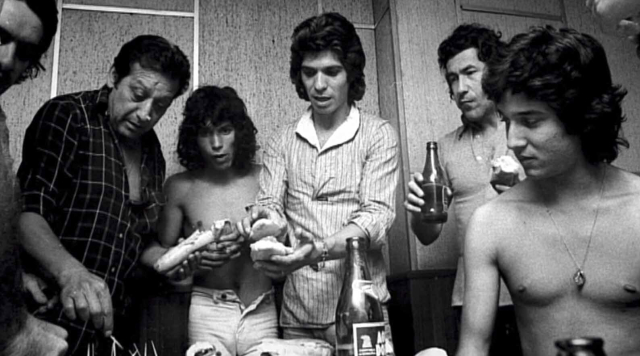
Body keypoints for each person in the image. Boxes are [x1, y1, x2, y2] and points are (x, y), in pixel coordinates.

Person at [457, 26, 637, 356]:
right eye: (508, 121)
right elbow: (473, 349)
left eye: (531, 120)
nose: (512, 140)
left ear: (582, 115)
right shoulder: (491, 223)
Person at [16, 34, 191, 355]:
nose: (146, 113)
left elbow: (139, 241)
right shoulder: (68, 116)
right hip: (44, 319)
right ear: (114, 77)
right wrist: (72, 274)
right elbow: (27, 212)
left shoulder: (153, 152)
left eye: (161, 106)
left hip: (109, 329)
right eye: (138, 95)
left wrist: (168, 261)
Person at [238, 12, 399, 350]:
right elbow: (270, 205)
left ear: (350, 74)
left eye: (332, 72)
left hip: (362, 308)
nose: (319, 85)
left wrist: (317, 251)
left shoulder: (378, 135)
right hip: (299, 315)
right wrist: (264, 222)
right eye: (309, 73)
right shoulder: (282, 140)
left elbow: (375, 218)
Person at [403, 23, 523, 355]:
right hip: (469, 297)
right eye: (452, 79)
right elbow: (429, 234)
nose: (460, 88)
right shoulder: (443, 148)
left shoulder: (524, 131)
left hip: (528, 291)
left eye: (470, 73)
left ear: (495, 72)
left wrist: (520, 187)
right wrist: (416, 213)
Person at [141, 85, 277, 356]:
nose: (216, 145)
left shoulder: (266, 179)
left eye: (225, 130)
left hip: (261, 307)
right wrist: (192, 259)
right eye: (206, 133)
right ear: (194, 138)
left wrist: (264, 238)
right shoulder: (180, 187)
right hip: (207, 310)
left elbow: (290, 239)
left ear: (239, 131)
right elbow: (157, 255)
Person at [0, 0, 68, 355]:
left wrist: (13, 281)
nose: (7, 60)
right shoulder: (67, 115)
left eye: (25, 52)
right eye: (0, 36)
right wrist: (13, 332)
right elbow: (31, 213)